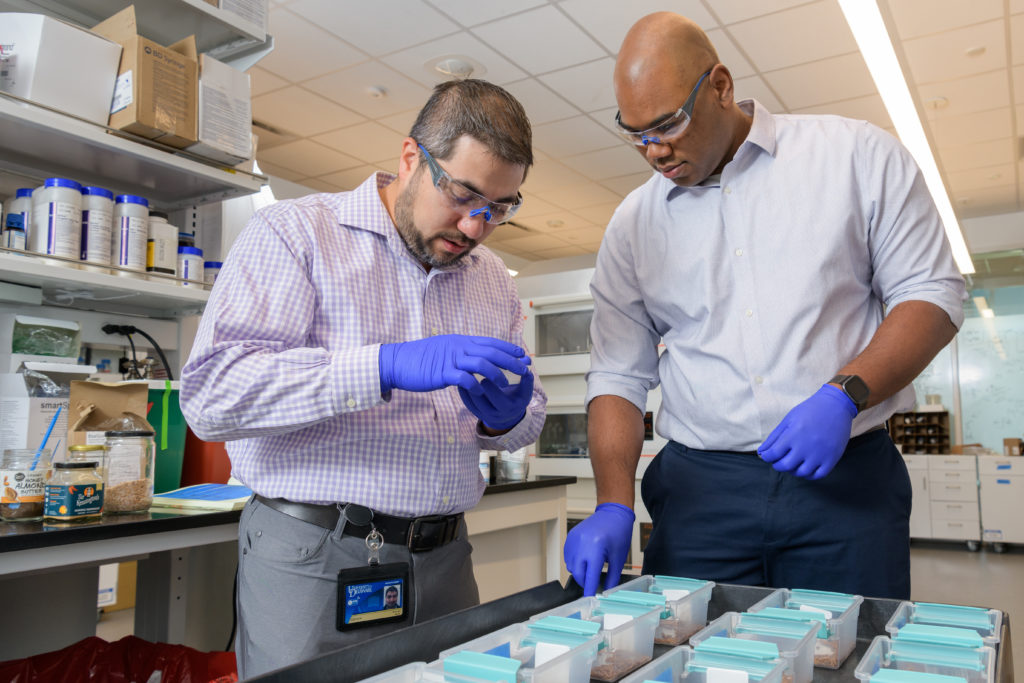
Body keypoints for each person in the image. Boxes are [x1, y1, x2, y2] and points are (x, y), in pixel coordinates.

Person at [563, 12, 967, 600]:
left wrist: (843, 394)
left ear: (721, 86)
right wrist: (611, 502)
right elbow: (618, 375)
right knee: (696, 657)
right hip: (700, 496)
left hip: (844, 481)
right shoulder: (633, 225)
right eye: (636, 133)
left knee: (844, 654)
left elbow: (931, 293)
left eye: (668, 124)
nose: (653, 151)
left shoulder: (853, 156)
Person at [180, 79, 546, 678]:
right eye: (463, 194)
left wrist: (505, 418)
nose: (477, 227)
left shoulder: (492, 281)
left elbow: (526, 416)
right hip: (316, 556)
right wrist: (380, 365)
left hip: (446, 559)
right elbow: (212, 396)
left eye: (500, 208)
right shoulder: (294, 234)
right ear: (410, 158)